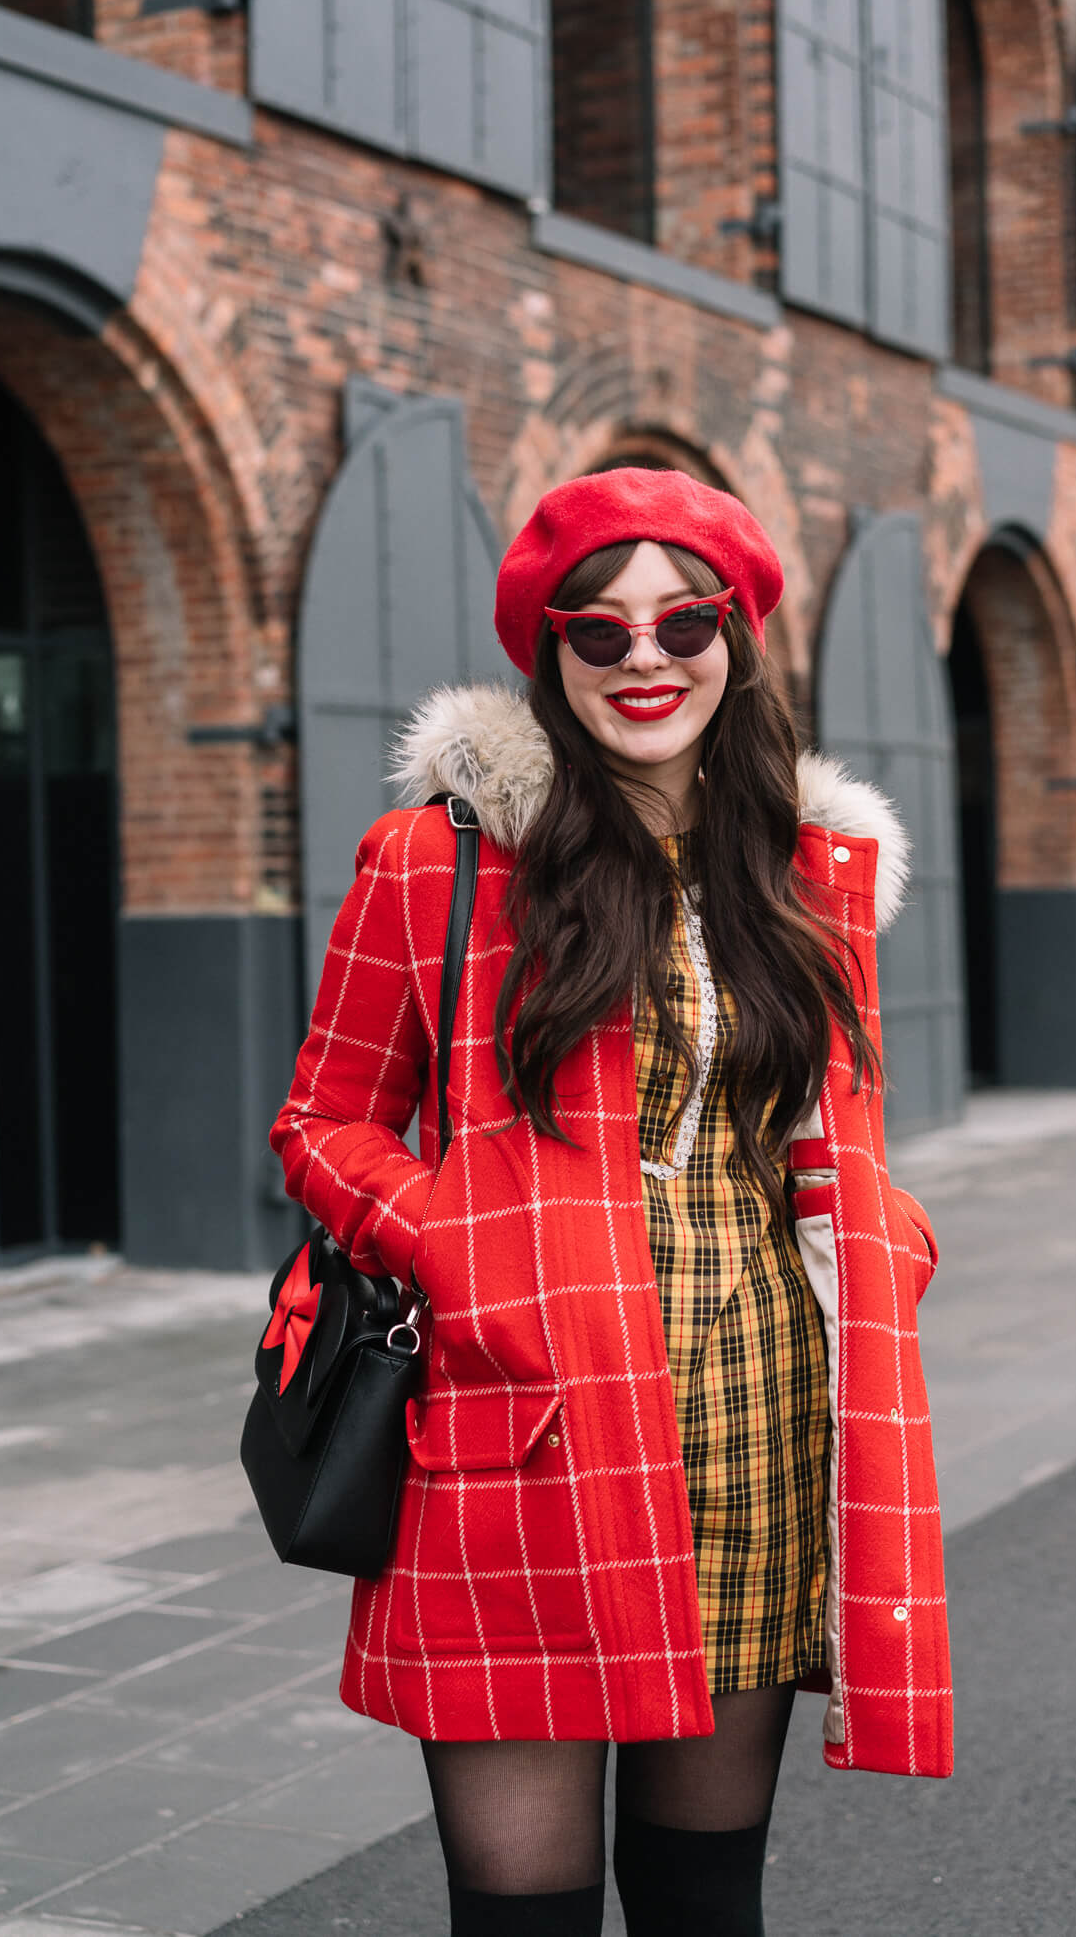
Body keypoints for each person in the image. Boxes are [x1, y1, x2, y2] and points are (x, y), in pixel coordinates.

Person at [271, 468, 951, 1937]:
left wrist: (890, 1238)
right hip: (527, 1434)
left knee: (708, 1901)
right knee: (525, 1912)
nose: (645, 657)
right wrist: (450, 1238)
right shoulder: (437, 866)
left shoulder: (802, 880)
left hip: (753, 1425)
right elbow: (323, 1123)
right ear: (551, 651)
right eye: (599, 631)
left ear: (738, 638)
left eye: (684, 620)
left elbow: (835, 1135)